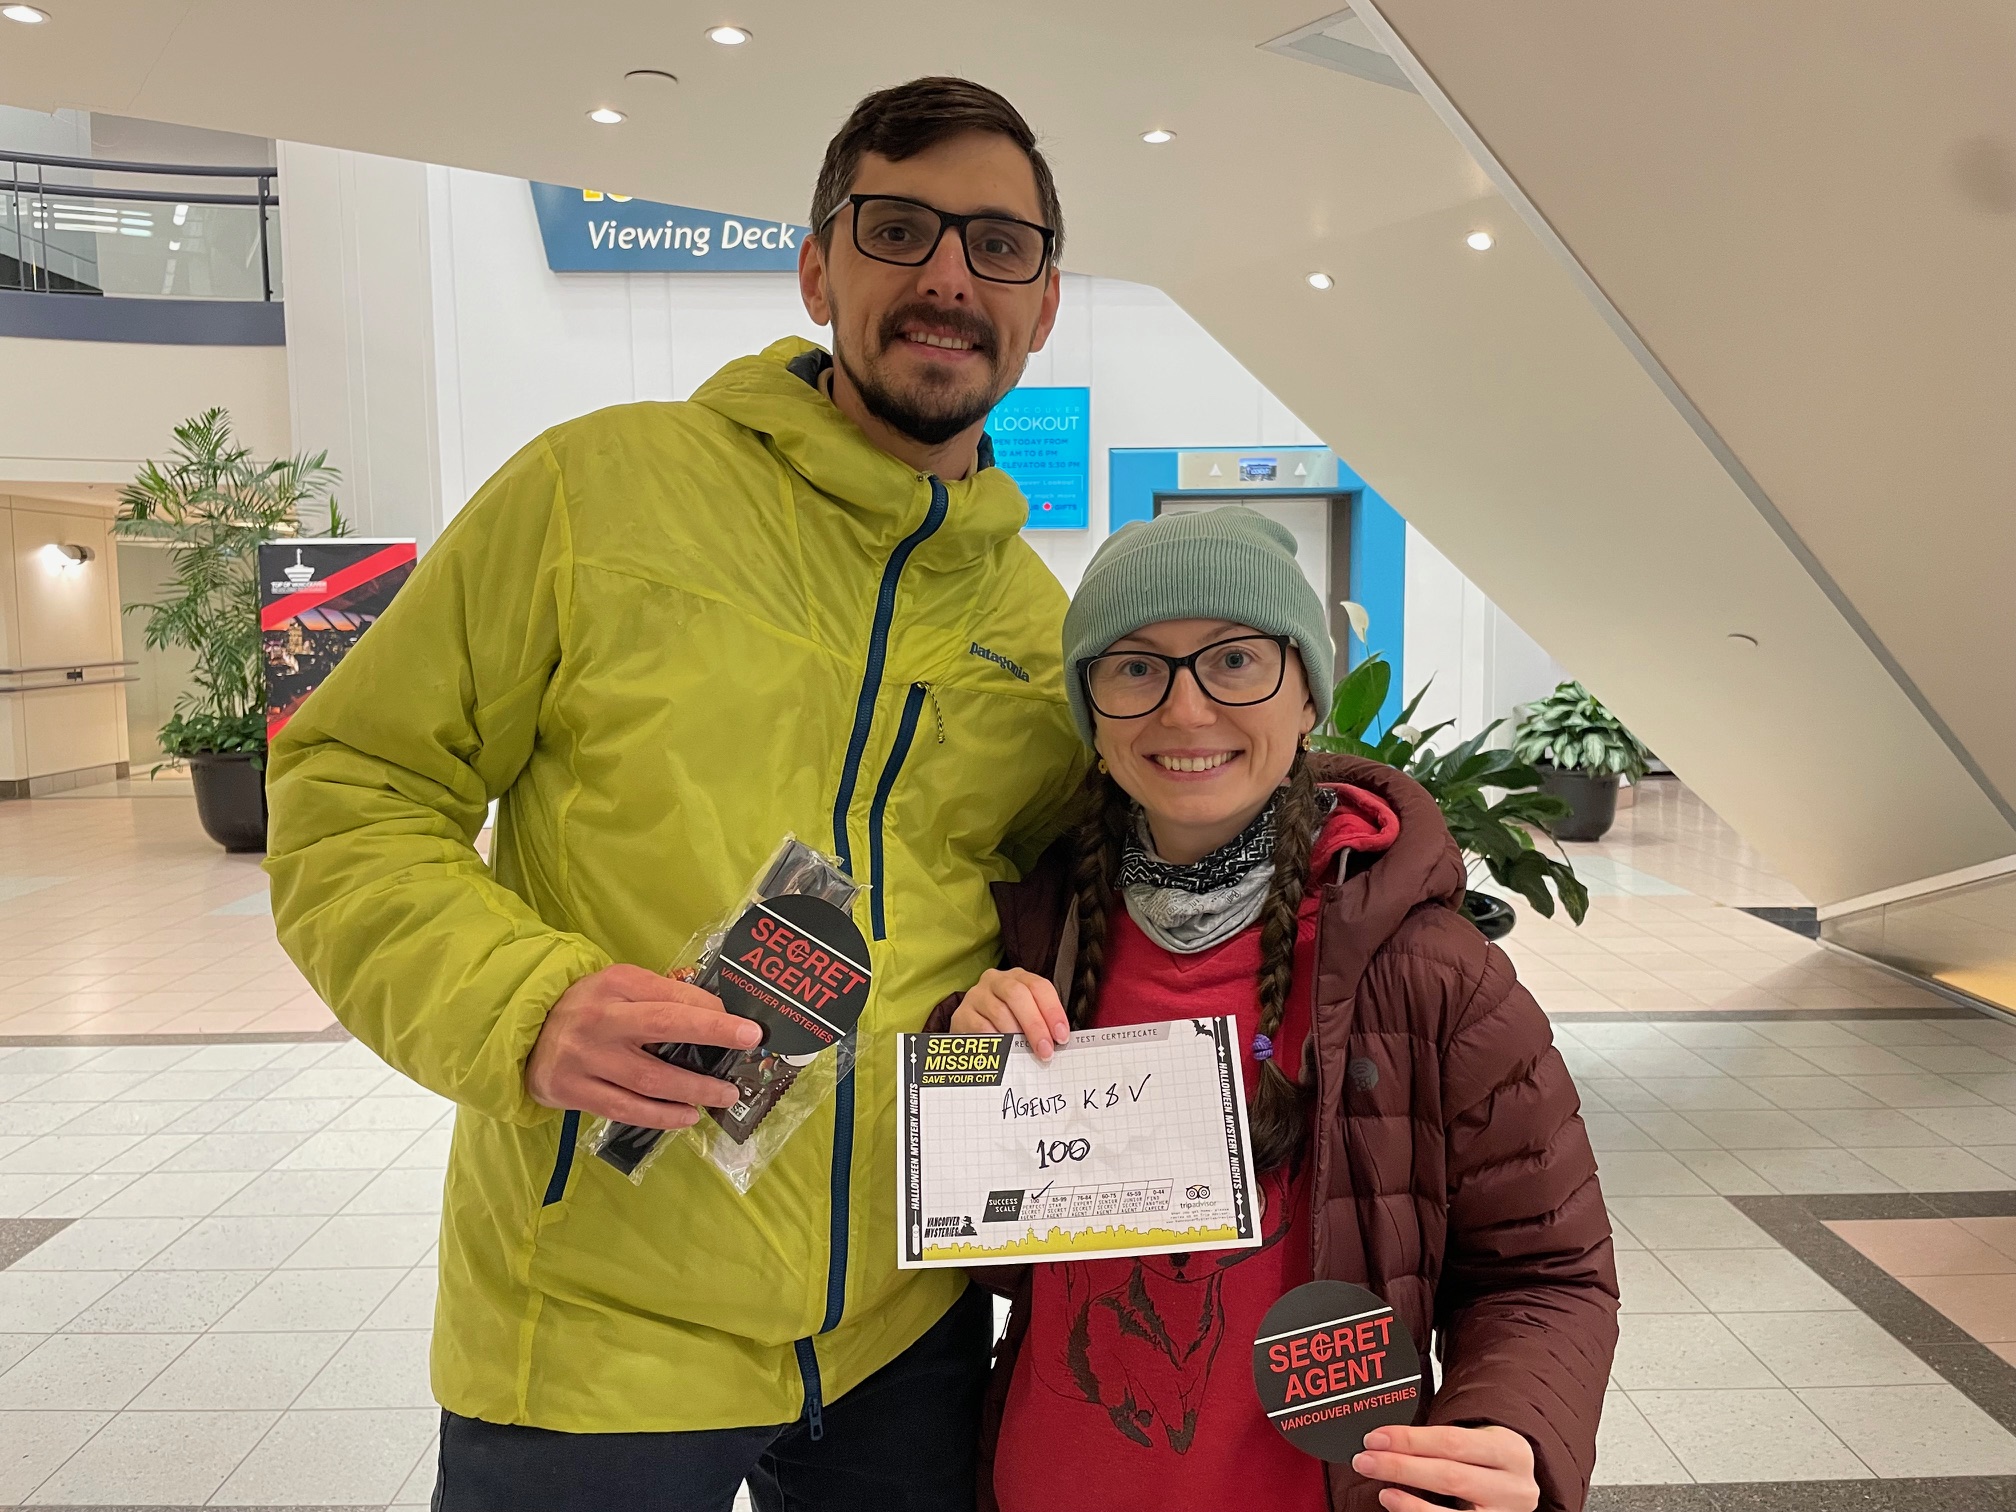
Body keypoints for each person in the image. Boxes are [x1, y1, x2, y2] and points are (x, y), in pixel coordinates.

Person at [265, 77, 1086, 1512]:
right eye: (899, 229)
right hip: (595, 1330)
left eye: (998, 245)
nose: (951, 276)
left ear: (1045, 303)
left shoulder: (1032, 618)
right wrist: (523, 1005)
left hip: (906, 1335)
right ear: (818, 269)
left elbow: (1062, 897)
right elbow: (355, 786)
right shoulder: (599, 492)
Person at [941, 507, 1619, 1512]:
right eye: (1135, 667)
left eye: (1236, 661)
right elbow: (992, 1259)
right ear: (1091, 713)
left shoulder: (1425, 971)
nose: (1185, 710)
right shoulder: (1041, 935)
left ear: (1306, 695)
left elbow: (1546, 1271)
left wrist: (1505, 1429)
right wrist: (966, 1061)